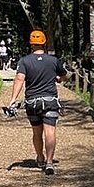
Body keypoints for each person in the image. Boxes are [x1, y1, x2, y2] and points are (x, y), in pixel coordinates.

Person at [8, 30, 67, 176]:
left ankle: (40, 158)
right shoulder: (53, 61)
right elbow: (64, 76)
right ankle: (49, 162)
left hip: (32, 102)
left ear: (31, 44)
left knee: (36, 132)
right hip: (50, 101)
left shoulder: (24, 61)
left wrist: (13, 99)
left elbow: (19, 79)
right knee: (50, 131)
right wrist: (59, 79)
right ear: (44, 43)